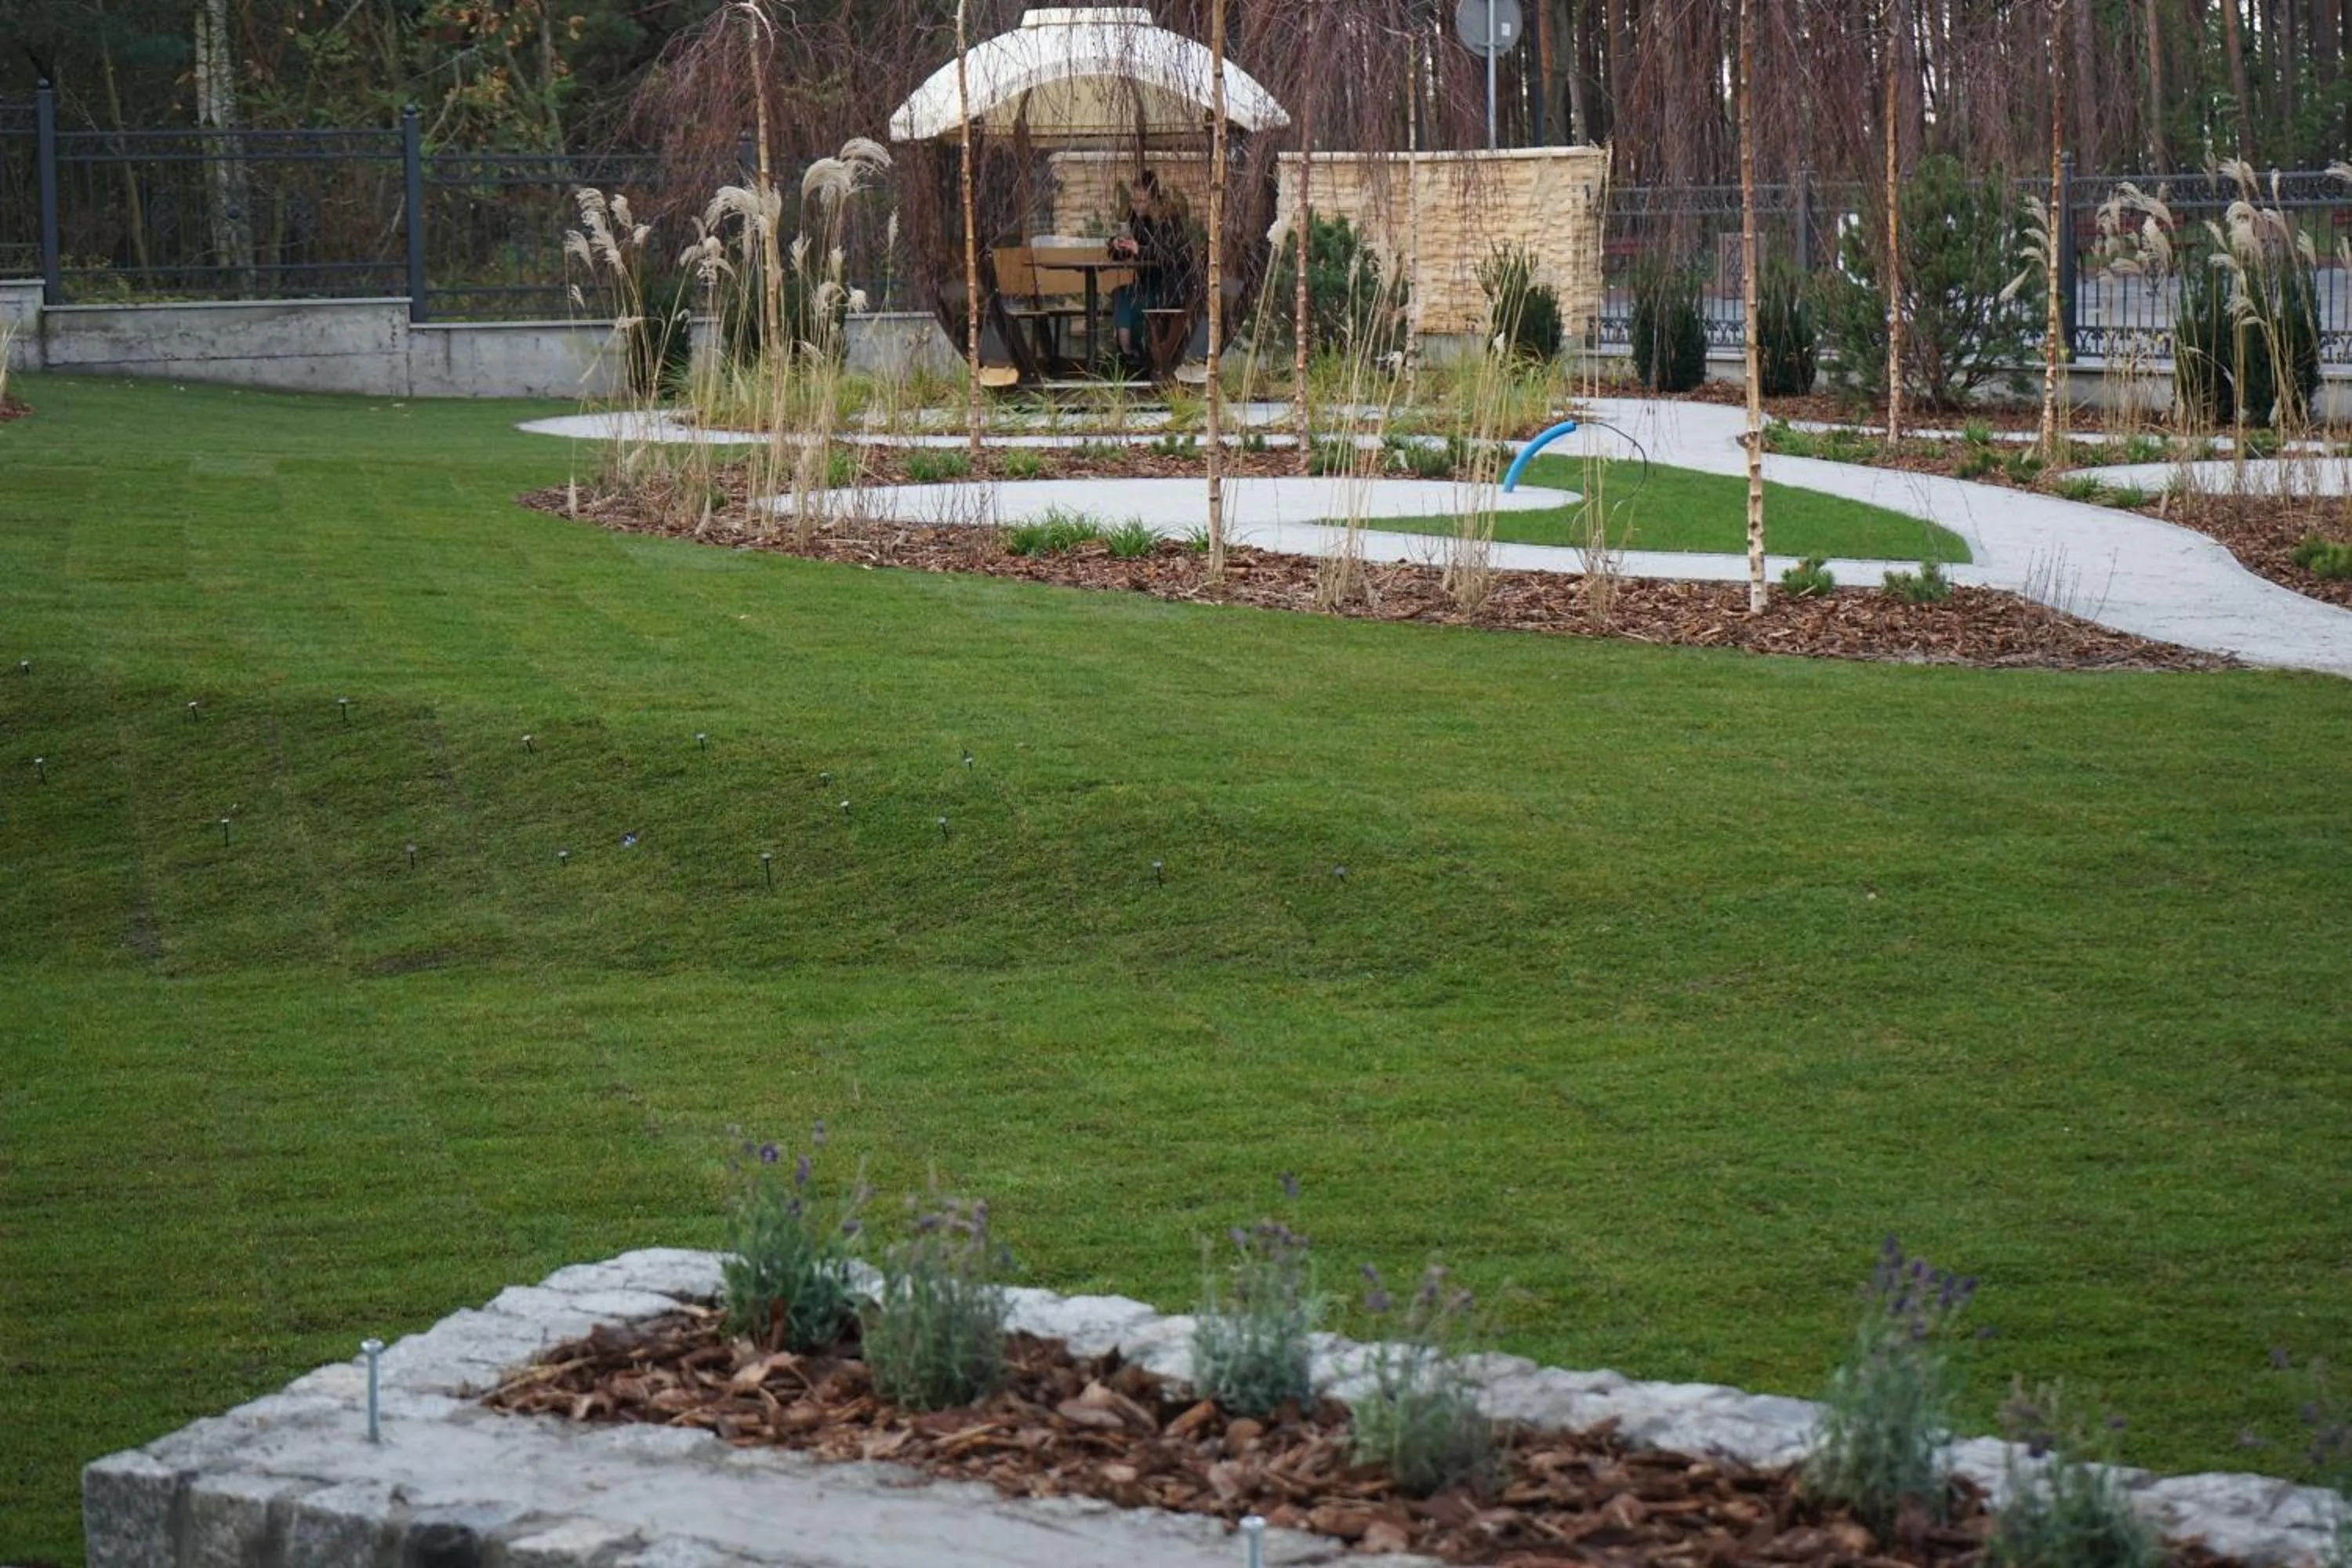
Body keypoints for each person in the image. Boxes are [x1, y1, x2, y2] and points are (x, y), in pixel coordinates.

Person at [1108, 170, 1189, 368]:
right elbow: (1126, 253)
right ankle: (1126, 352)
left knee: (1128, 297)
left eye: (1141, 200)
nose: (1136, 205)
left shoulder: (1169, 220)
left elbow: (1169, 254)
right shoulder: (1137, 220)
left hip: (1167, 288)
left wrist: (1141, 250)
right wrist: (1117, 246)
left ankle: (1131, 354)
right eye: (1134, 200)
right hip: (1146, 283)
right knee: (1121, 293)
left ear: (1153, 199)